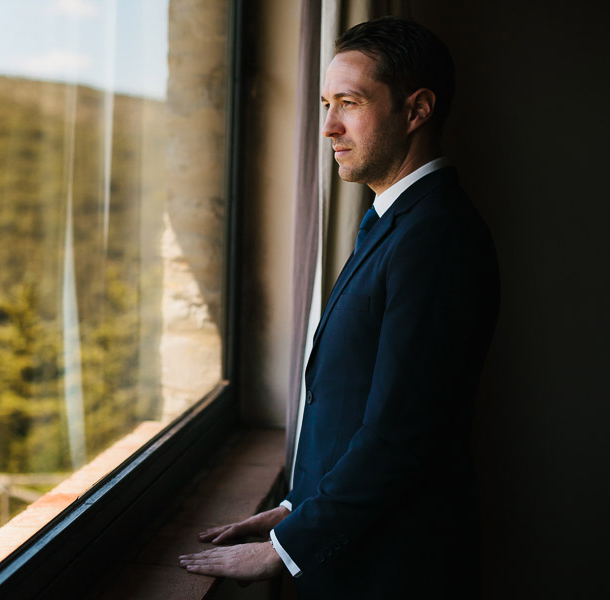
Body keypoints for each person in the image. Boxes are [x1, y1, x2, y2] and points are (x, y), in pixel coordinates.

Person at [179, 16, 499, 599]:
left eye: (348, 102)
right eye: (326, 103)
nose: (328, 126)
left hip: (392, 571)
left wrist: (289, 547)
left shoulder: (437, 235)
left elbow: (402, 434)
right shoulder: (390, 220)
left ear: (417, 110)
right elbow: (352, 399)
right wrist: (292, 510)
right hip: (355, 550)